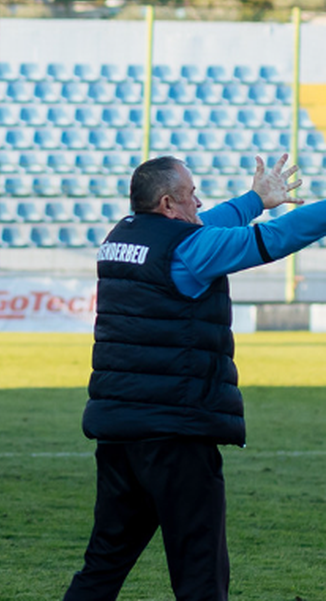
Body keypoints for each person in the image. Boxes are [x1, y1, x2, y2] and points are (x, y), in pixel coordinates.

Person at [64, 153, 321, 600]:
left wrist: (255, 199)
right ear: (167, 203)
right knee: (200, 572)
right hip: (175, 433)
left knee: (103, 565)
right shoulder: (189, 250)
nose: (199, 201)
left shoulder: (122, 236)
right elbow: (277, 238)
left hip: (119, 429)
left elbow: (205, 225)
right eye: (191, 194)